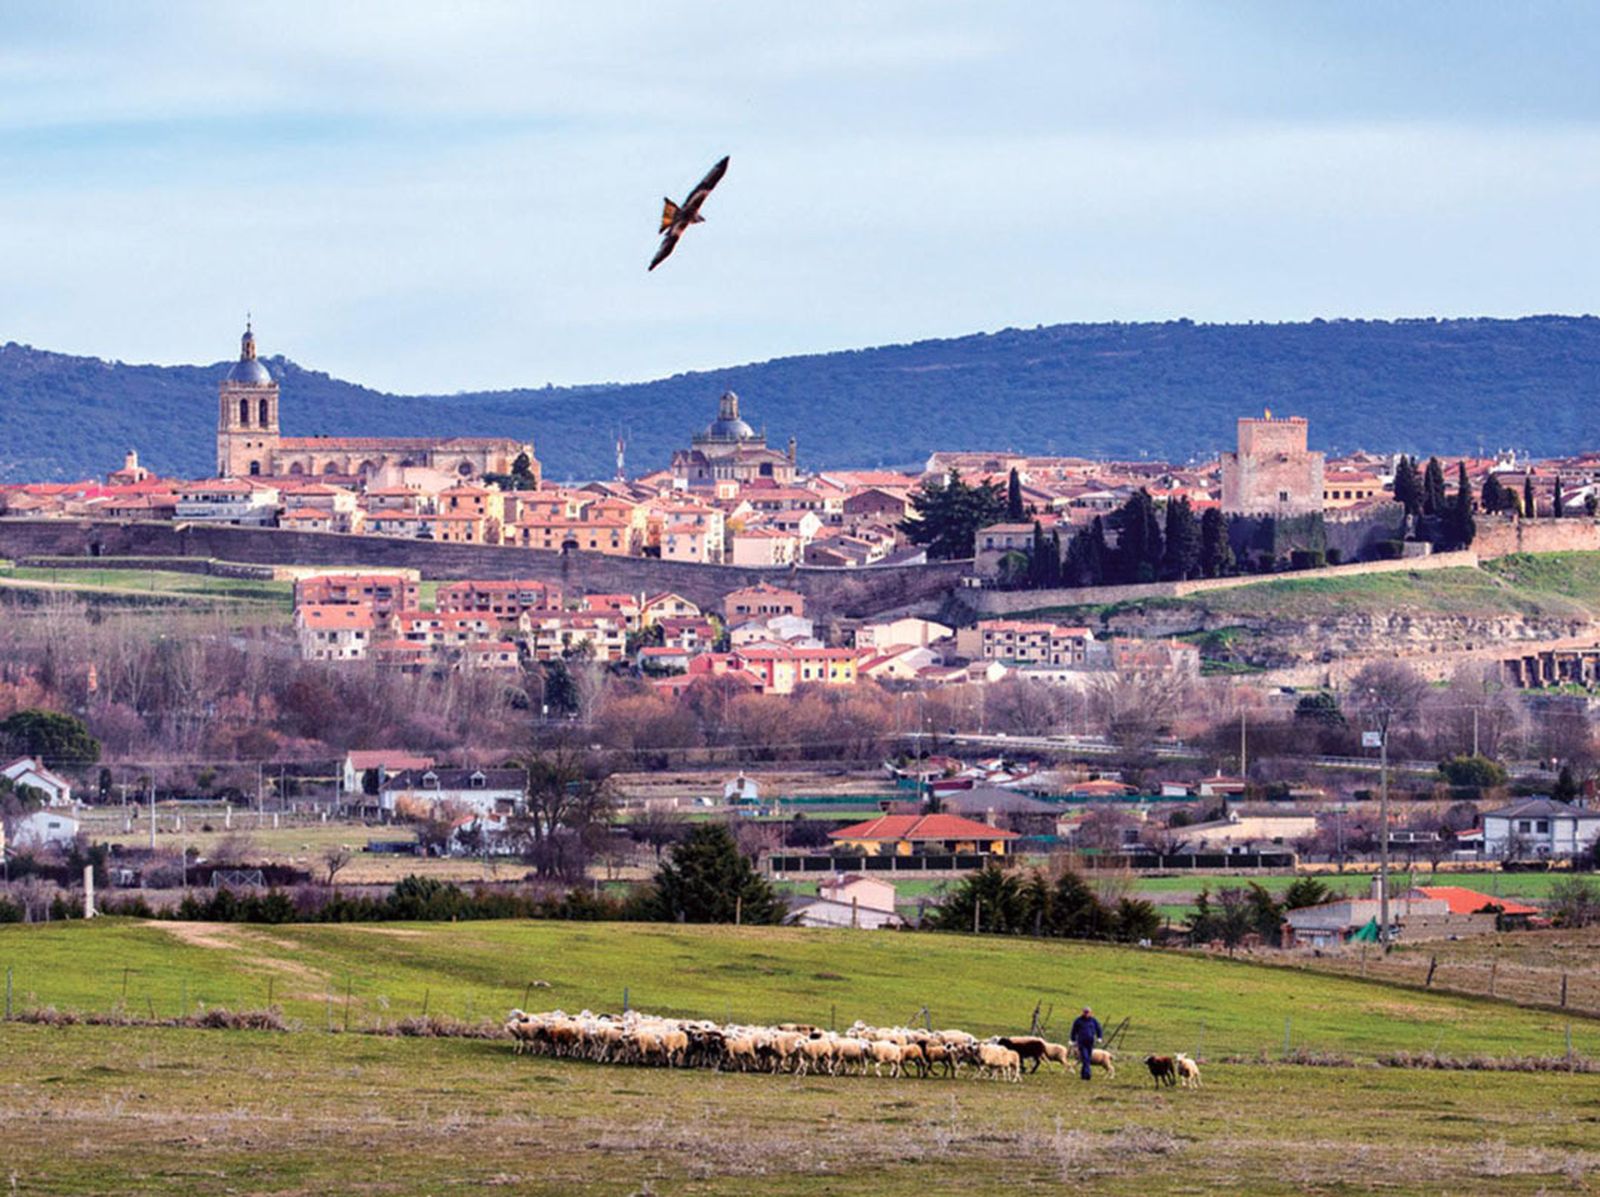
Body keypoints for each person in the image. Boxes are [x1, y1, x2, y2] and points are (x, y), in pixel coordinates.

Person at [1069, 1006, 1102, 1081]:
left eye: (1088, 1012)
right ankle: (1088, 1074)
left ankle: (1083, 1075)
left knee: (1087, 1058)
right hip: (1081, 1042)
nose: (1086, 1014)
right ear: (1083, 1012)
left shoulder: (1093, 1021)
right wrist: (1072, 1040)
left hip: (1090, 1042)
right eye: (1085, 1012)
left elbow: (1098, 1028)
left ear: (1090, 1013)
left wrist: (1099, 1037)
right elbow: (1074, 1030)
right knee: (1085, 1057)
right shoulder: (1078, 1021)